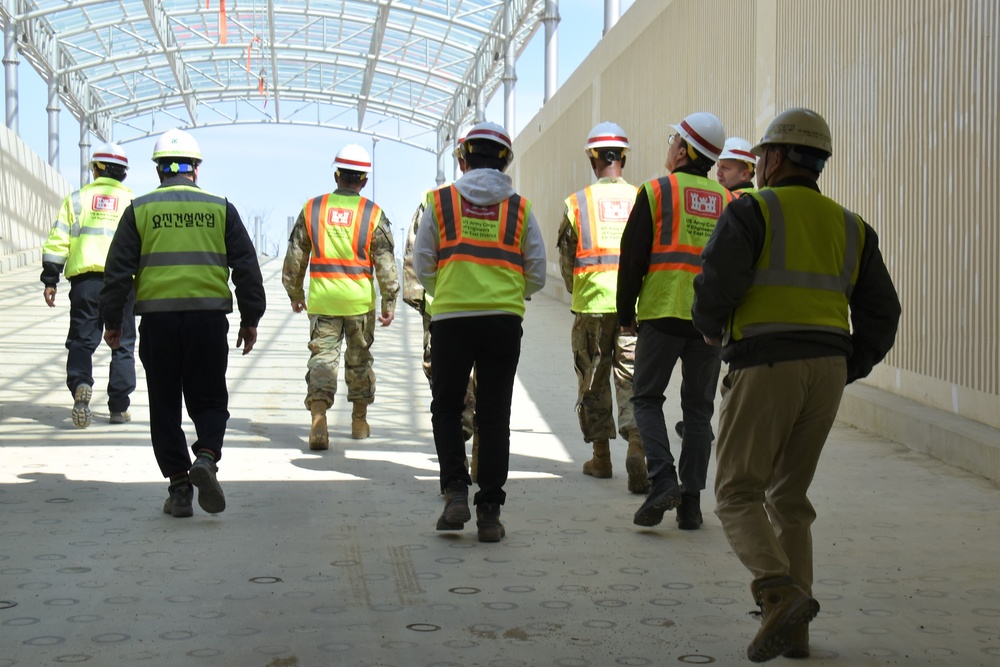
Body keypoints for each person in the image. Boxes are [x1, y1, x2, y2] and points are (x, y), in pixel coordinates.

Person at [692, 107, 900, 662]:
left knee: (737, 492)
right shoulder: (851, 224)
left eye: (761, 156)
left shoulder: (753, 211)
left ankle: (778, 593)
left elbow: (716, 287)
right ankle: (795, 630)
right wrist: (848, 364)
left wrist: (712, 333)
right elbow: (884, 311)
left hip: (765, 364)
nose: (757, 165)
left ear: (777, 157)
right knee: (789, 497)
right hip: (826, 371)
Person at [100, 128, 266, 519]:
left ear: (159, 170)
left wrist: (111, 321)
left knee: (164, 405)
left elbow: (118, 272)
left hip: (158, 324)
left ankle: (178, 488)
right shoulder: (220, 207)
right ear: (196, 169)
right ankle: (206, 456)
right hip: (207, 321)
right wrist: (250, 317)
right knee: (209, 399)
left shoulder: (139, 210)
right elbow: (246, 267)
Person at [413, 121, 546, 542]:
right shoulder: (520, 208)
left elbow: (423, 263)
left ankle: (455, 492)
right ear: (505, 161)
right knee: (494, 414)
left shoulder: (440, 202)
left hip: (452, 319)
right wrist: (508, 293)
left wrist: (448, 292)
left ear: (463, 158)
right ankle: (489, 511)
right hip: (504, 321)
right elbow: (538, 273)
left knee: (447, 408)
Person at [617, 112, 732, 530]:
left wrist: (625, 313)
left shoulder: (656, 191)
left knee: (645, 398)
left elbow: (632, 258)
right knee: (699, 411)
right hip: (709, 323)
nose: (669, 146)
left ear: (683, 150)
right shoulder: (728, 201)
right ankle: (691, 504)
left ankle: (663, 478)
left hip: (663, 312)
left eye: (672, 140)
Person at [282, 143, 399, 449]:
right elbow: (385, 262)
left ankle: (319, 417)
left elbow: (295, 255)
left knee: (322, 360)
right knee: (359, 362)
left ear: (336, 175)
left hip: (323, 301)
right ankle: (359, 422)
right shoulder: (373, 214)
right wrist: (389, 300)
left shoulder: (313, 208)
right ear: (364, 180)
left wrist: (294, 291)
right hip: (359, 303)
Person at [556, 121, 646, 493]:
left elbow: (566, 258)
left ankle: (602, 458)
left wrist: (576, 292)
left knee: (593, 379)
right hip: (635, 307)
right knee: (632, 377)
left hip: (592, 303)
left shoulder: (578, 203)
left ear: (594, 159)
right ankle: (638, 446)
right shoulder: (644, 197)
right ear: (623, 157)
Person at [40, 142, 136, 428]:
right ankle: (119, 408)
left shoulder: (77, 200)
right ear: (123, 174)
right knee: (123, 344)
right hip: (123, 282)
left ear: (96, 169)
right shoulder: (133, 202)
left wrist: (50, 279)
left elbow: (58, 240)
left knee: (82, 340)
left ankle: (81, 383)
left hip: (86, 281)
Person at [401, 131, 479, 479]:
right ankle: (481, 456)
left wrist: (425, 302)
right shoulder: (510, 203)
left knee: (447, 391)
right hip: (496, 311)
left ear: (460, 160)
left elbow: (416, 259)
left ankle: (457, 466)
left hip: (445, 312)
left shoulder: (434, 201)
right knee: (489, 387)